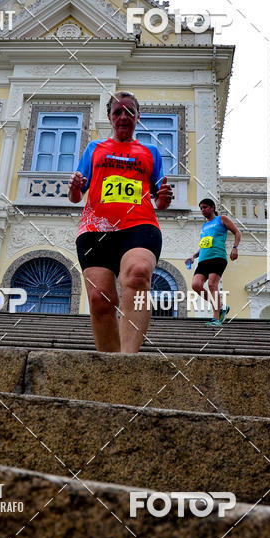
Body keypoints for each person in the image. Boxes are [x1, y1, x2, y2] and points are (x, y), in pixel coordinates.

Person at [68, 91, 173, 353]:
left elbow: (160, 201)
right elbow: (76, 196)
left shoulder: (151, 152)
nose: (123, 116)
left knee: (138, 273)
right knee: (100, 298)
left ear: (138, 116)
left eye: (129, 112)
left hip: (139, 225)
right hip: (96, 229)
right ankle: (110, 365)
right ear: (109, 117)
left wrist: (164, 198)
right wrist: (74, 187)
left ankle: (128, 361)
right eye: (117, 112)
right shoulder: (94, 149)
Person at [185, 198, 241, 325]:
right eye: (201, 208)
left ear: (212, 207)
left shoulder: (221, 219)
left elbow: (237, 232)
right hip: (203, 260)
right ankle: (220, 307)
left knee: (212, 285)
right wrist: (193, 256)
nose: (202, 210)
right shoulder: (204, 226)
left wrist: (235, 248)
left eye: (205, 207)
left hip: (217, 257)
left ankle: (216, 318)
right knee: (196, 285)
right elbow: (203, 245)